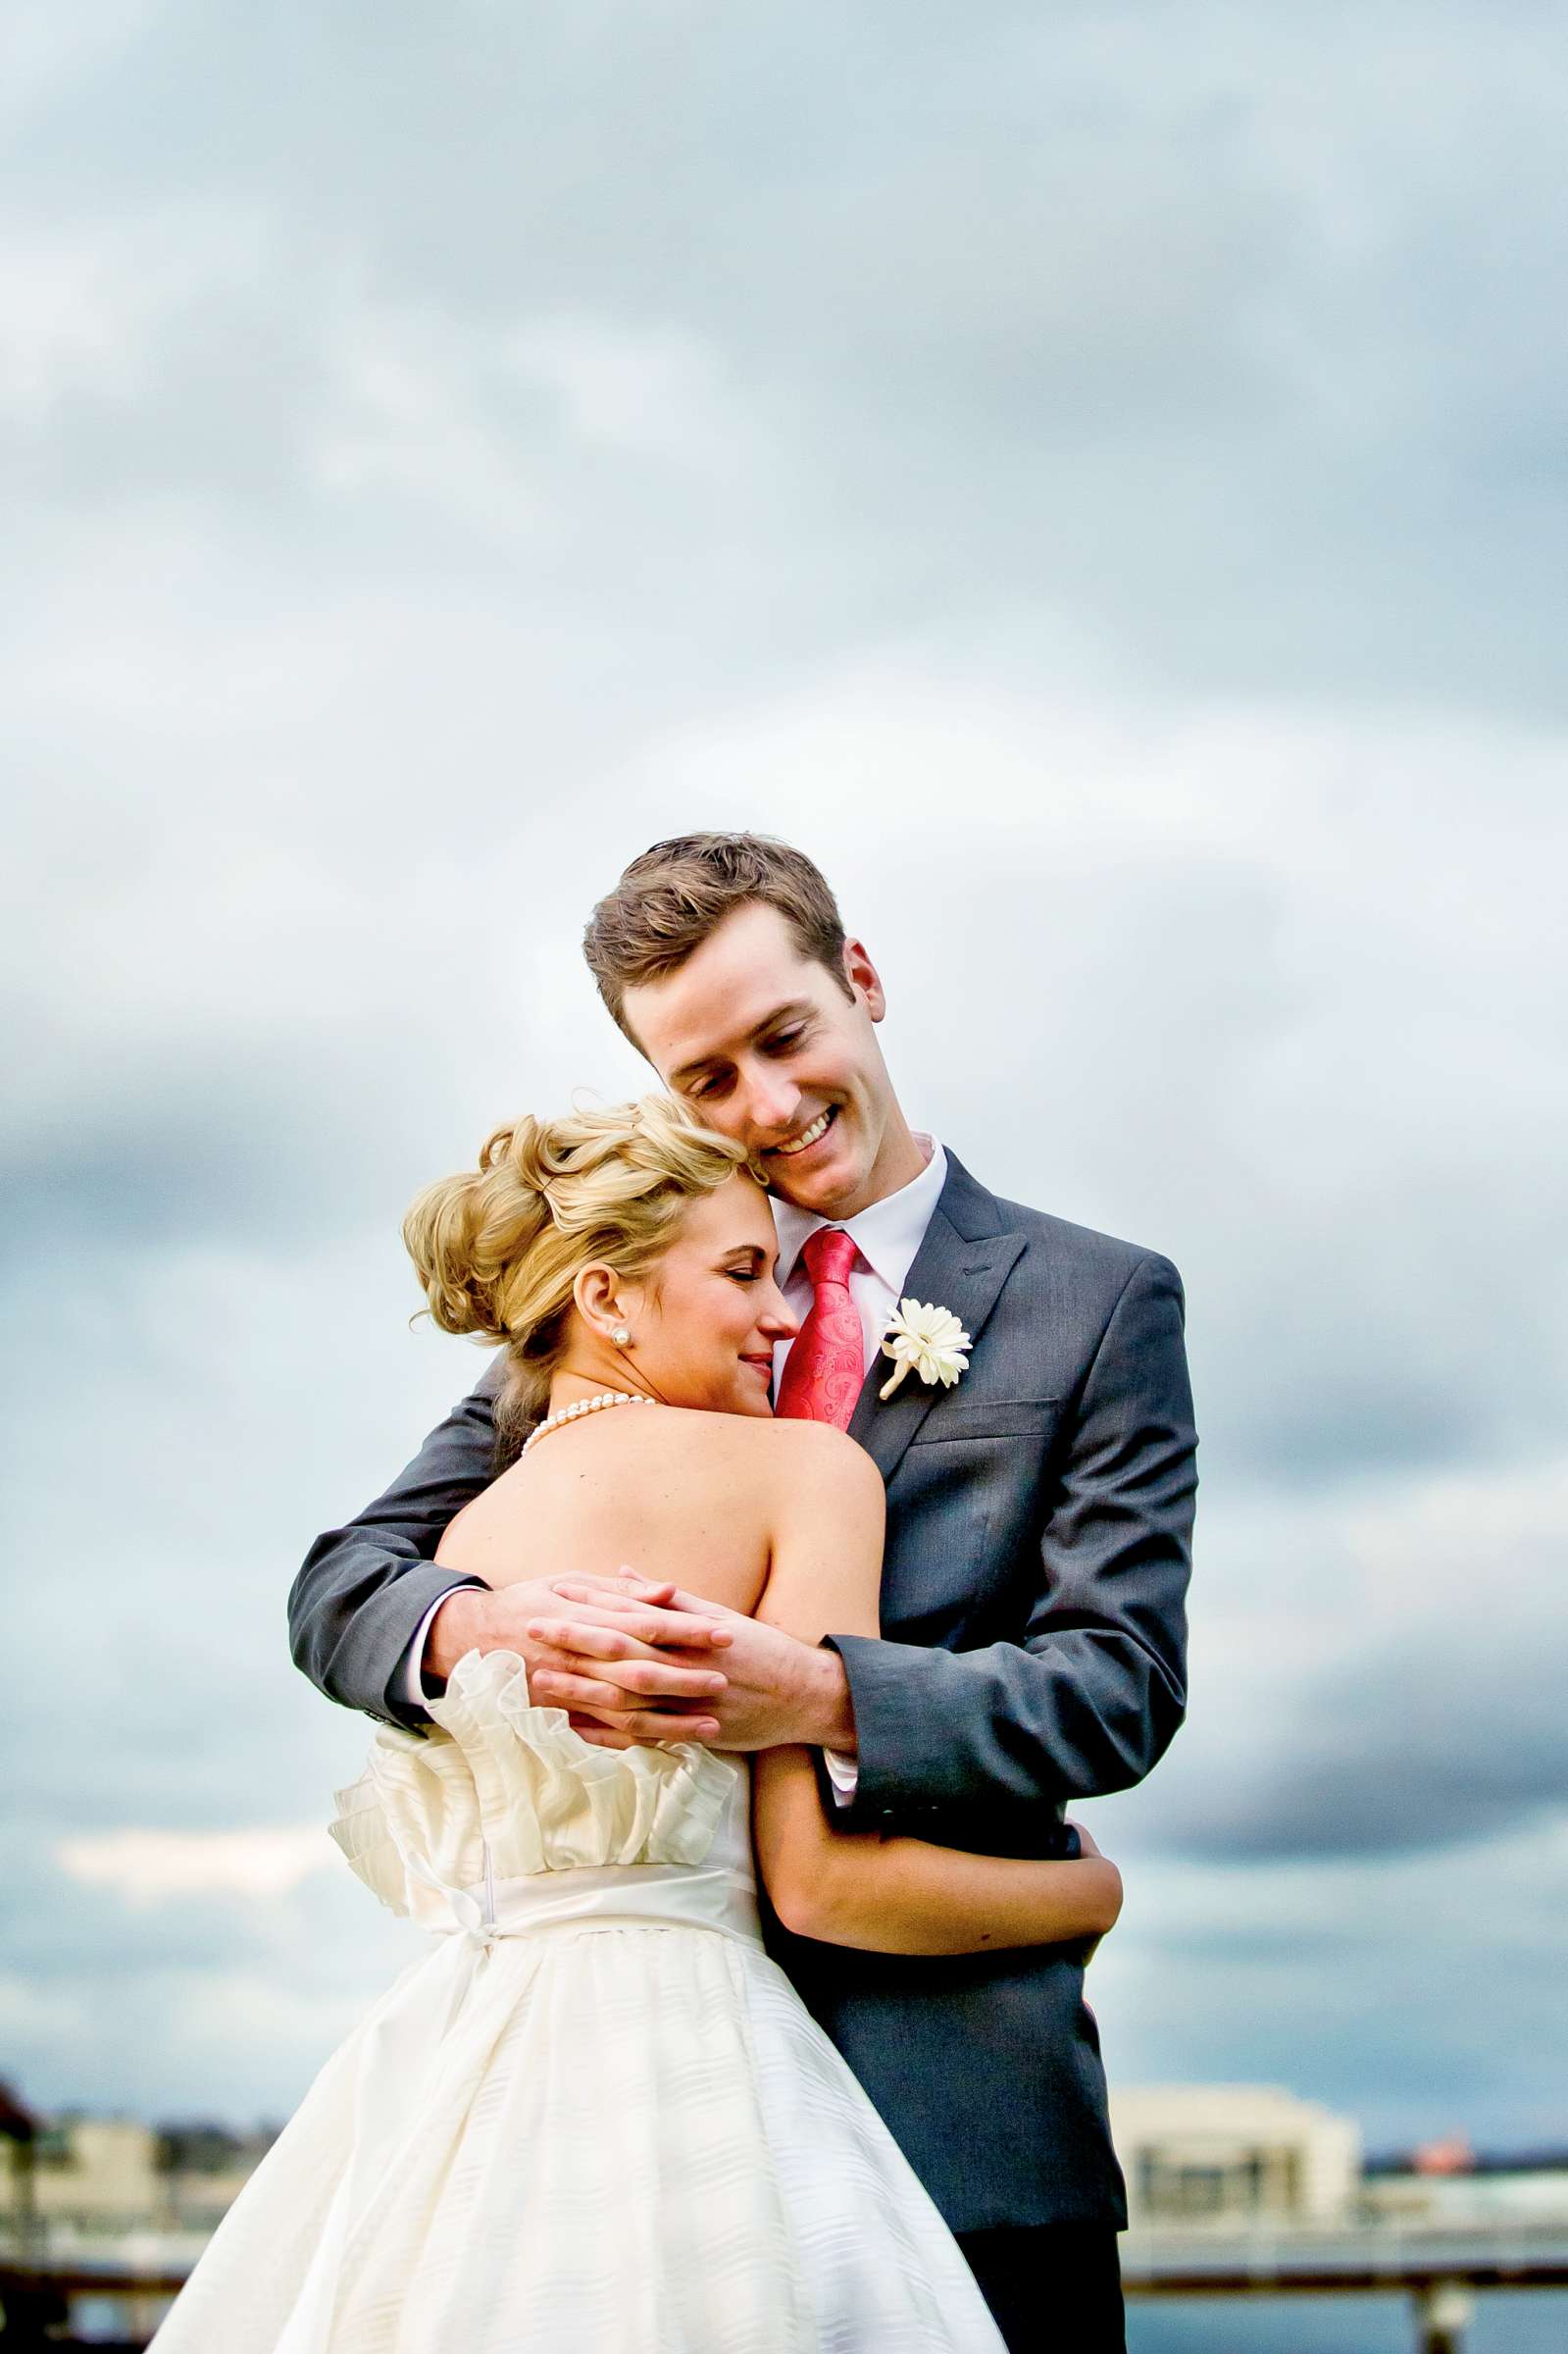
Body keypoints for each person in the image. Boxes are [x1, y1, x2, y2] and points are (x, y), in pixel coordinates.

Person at [290, 833, 1198, 2351]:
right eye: (705, 1081)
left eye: (785, 1039)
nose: (766, 1108)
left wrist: (824, 1694)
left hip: (960, 2115)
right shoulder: (630, 1291)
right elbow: (346, 1583)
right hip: (622, 2139)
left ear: (860, 981)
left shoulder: (1097, 1301)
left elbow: (1116, 1685)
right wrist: (485, 1629)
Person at [157, 1099, 1123, 2352]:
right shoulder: (804, 1472)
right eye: (741, 1274)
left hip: (476, 2070)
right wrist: (1086, 1893)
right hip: (699, 2076)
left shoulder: (475, 1539)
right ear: (606, 1299)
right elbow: (819, 1886)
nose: (783, 1317)